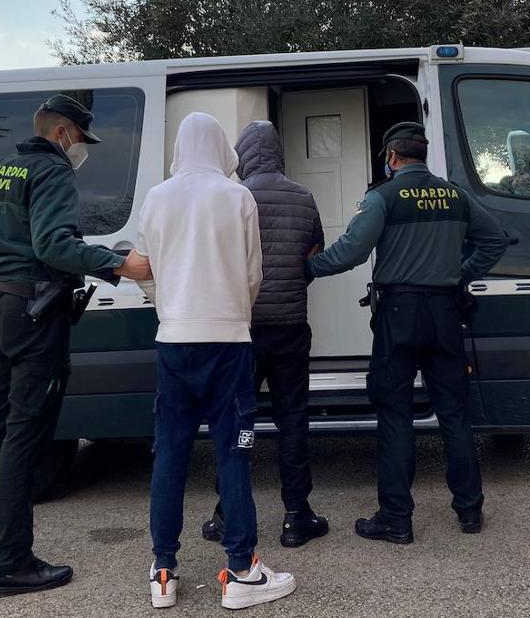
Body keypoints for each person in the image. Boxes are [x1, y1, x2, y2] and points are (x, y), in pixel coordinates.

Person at [0, 94, 151, 598]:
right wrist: (117, 263)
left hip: (0, 309)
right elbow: (54, 246)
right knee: (25, 436)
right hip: (36, 312)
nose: (81, 150)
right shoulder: (52, 172)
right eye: (81, 140)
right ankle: (11, 564)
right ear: (64, 133)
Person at [306, 121, 508, 544]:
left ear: (392, 157)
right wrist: (458, 275)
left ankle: (396, 518)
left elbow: (352, 251)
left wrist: (307, 268)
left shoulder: (383, 197)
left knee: (395, 413)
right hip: (446, 312)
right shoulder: (455, 195)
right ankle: (470, 512)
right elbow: (495, 240)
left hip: (399, 314)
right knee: (454, 411)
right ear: (422, 154)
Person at [137, 113, 296, 610]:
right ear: (221, 147)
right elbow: (254, 273)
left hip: (173, 340)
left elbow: (146, 270)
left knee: (170, 455)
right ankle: (243, 570)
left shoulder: (157, 198)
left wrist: (169, 307)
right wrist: (232, 312)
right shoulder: (237, 196)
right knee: (234, 452)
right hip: (228, 341)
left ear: (182, 146)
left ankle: (163, 570)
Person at [200, 121, 328, 549]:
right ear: (277, 153)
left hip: (241, 330)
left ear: (242, 155)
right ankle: (297, 517)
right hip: (291, 326)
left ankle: (224, 514)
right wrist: (290, 285)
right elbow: (312, 255)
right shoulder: (303, 197)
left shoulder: (231, 197)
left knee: (237, 421)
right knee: (293, 419)